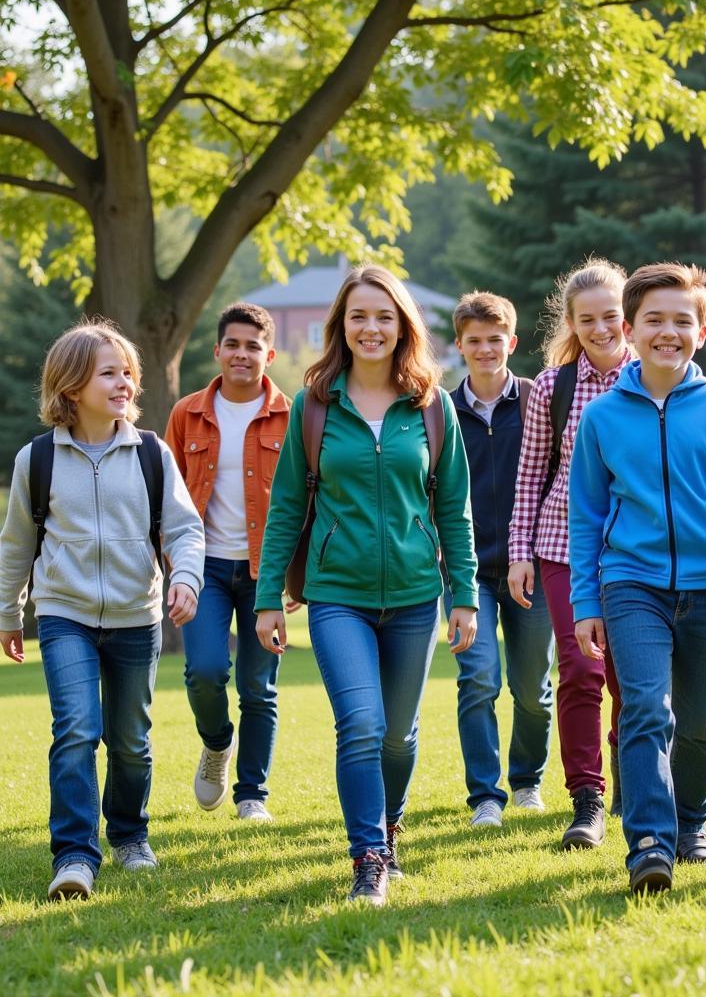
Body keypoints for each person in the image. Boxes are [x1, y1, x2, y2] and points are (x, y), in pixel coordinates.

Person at [253, 264, 478, 907]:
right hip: (336, 595)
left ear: (402, 324)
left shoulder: (433, 406)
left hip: (413, 595)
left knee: (397, 736)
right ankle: (368, 858)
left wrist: (463, 594)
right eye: (359, 316)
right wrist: (270, 596)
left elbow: (453, 509)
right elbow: (288, 507)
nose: (371, 327)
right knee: (359, 723)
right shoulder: (314, 406)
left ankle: (390, 826)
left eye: (384, 315)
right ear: (341, 326)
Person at [570, 262, 706, 894]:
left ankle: (692, 826)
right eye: (654, 321)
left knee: (698, 721)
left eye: (681, 321)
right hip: (630, 582)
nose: (668, 332)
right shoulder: (603, 417)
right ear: (629, 330)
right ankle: (649, 845)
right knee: (643, 708)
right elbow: (586, 518)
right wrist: (587, 599)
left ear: (702, 331)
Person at [0, 320, 205, 901]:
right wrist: (9, 614)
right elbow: (16, 544)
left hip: (137, 618)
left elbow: (186, 530)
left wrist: (185, 578)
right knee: (75, 730)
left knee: (130, 739)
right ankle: (74, 855)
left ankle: (130, 835)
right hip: (64, 614)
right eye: (109, 373)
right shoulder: (36, 460)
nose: (124, 384)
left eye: (128, 373)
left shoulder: (151, 454)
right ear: (70, 386)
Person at [507, 258, 631, 850]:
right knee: (580, 671)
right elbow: (531, 474)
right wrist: (520, 551)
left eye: (611, 315)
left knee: (631, 677)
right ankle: (588, 799)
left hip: (639, 550)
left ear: (627, 315)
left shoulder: (657, 374)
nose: (602, 329)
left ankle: (633, 777)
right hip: (562, 547)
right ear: (572, 325)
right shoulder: (552, 389)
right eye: (589, 321)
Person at [165, 303, 291, 822]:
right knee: (205, 671)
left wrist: (293, 579)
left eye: (253, 346)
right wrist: (170, 566)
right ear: (218, 350)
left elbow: (305, 500)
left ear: (270, 354)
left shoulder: (292, 414)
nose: (242, 354)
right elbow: (167, 497)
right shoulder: (186, 413)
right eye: (233, 345)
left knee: (259, 688)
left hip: (266, 573)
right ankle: (217, 744)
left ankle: (252, 795)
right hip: (205, 568)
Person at [448, 291, 555, 828]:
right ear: (460, 346)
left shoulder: (540, 401)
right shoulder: (441, 410)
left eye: (495, 339)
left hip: (531, 567)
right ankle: (485, 795)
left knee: (533, 685)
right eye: (475, 341)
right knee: (479, 677)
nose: (486, 349)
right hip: (467, 572)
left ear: (511, 342)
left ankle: (528, 781)